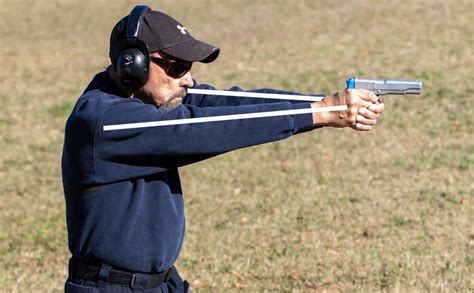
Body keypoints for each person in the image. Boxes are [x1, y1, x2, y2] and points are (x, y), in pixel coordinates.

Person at [61, 5, 384, 292]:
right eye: (176, 67)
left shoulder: (145, 99)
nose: (187, 79)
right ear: (133, 65)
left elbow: (234, 103)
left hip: (157, 284)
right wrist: (323, 113)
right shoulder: (106, 122)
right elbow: (202, 128)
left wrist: (320, 102)